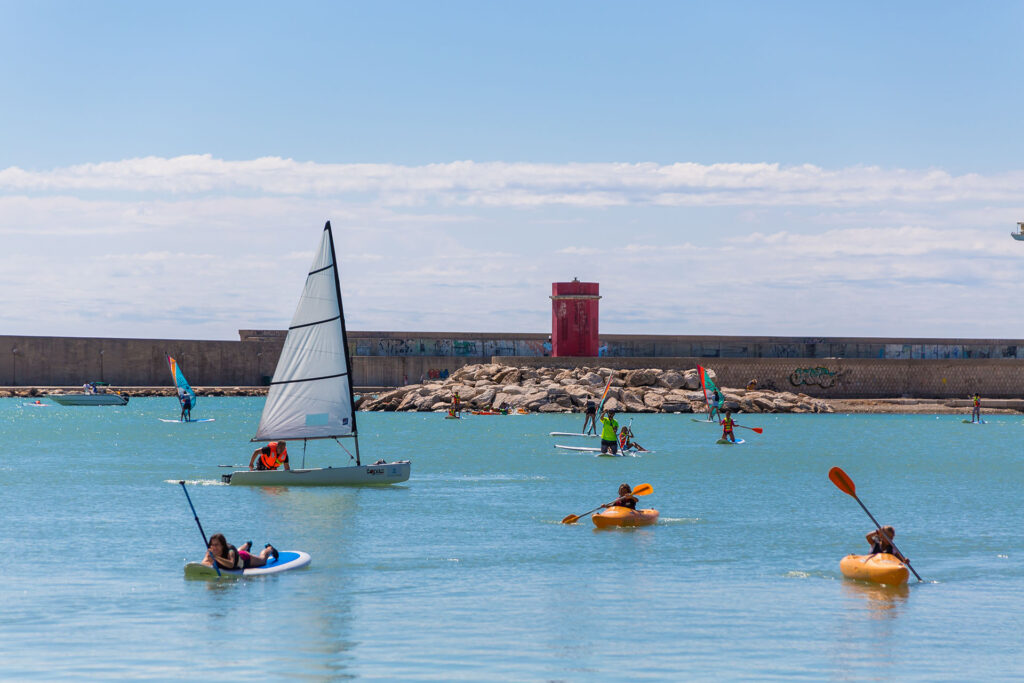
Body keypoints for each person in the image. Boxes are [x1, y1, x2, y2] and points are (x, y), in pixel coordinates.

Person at [203, 533, 279, 570]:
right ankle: (247, 545)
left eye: (217, 545)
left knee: (263, 560)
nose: (214, 547)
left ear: (222, 545)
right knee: (238, 551)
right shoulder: (211, 551)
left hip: (244, 558)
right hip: (238, 554)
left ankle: (270, 548)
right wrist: (209, 560)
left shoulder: (230, 551)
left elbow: (231, 565)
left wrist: (215, 557)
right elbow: (204, 563)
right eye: (212, 545)